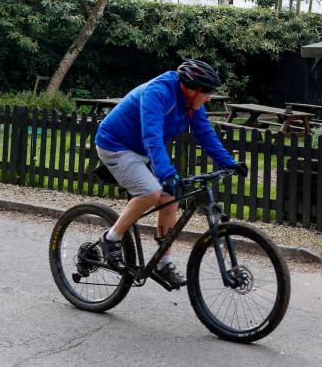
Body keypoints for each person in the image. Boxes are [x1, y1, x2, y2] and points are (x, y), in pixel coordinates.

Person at [93, 58, 245, 285]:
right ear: (192, 89)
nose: (209, 98)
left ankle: (163, 263)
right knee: (151, 193)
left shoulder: (192, 104)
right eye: (207, 93)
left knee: (171, 199)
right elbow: (152, 136)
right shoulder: (158, 92)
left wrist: (228, 162)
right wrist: (166, 173)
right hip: (116, 145)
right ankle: (111, 238)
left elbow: (205, 133)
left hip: (144, 150)